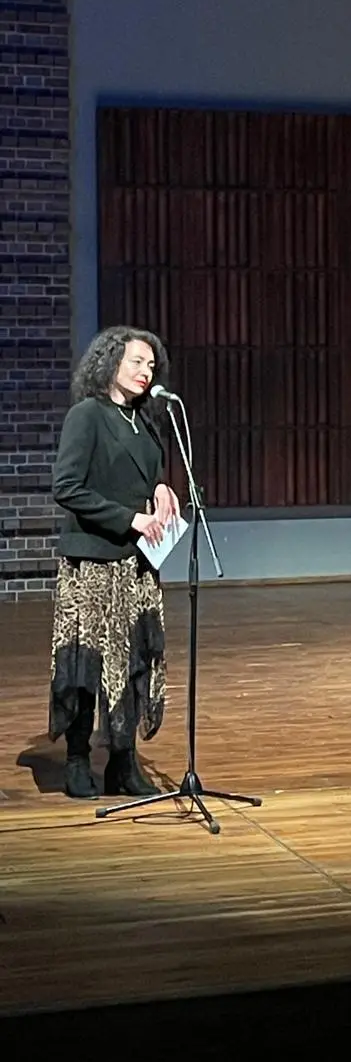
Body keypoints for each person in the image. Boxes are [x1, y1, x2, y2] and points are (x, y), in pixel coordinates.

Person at [49, 326, 181, 799]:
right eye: (136, 362)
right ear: (109, 363)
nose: (146, 372)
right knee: (89, 663)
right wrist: (130, 519)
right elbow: (67, 487)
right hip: (94, 560)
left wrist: (161, 488)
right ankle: (77, 759)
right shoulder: (88, 415)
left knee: (132, 661)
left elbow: (143, 475)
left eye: (151, 365)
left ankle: (123, 762)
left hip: (137, 565)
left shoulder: (144, 420)